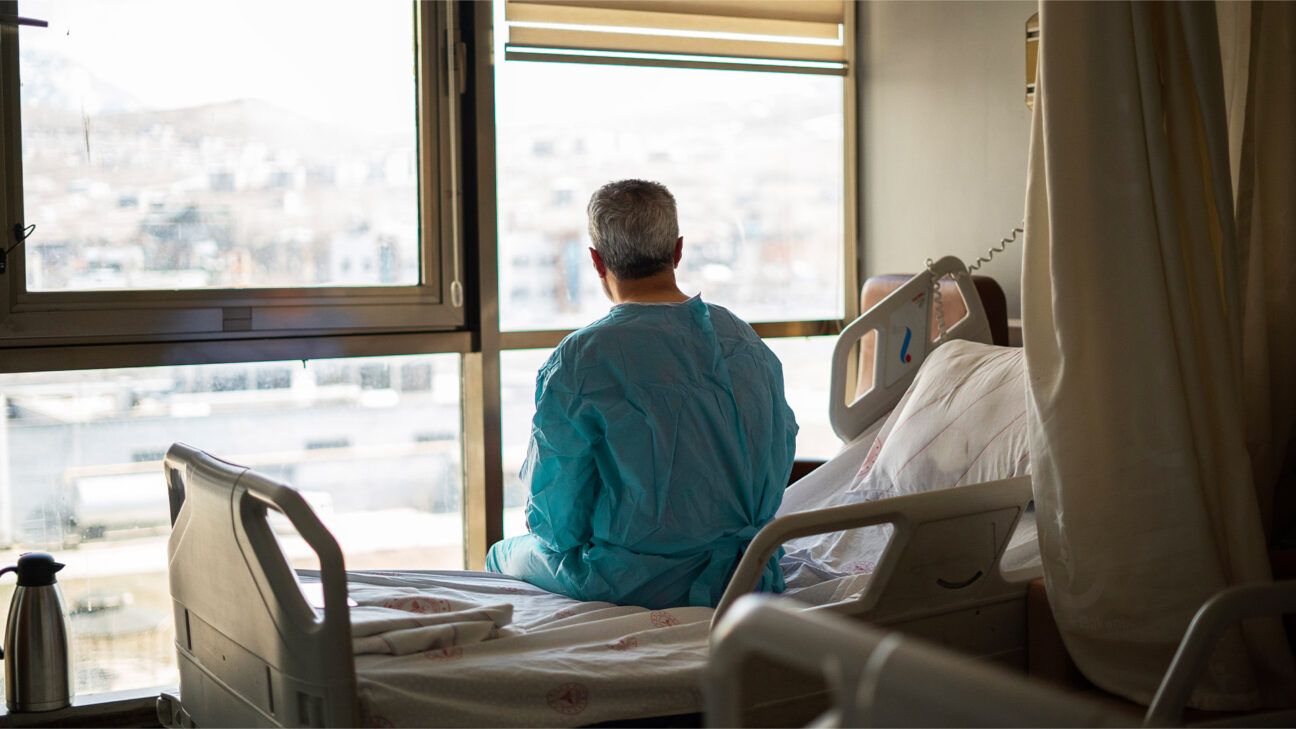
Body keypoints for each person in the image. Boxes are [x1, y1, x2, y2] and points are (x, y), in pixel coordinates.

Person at [486, 179, 798, 609]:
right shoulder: (743, 340)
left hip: (638, 582)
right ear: (678, 251)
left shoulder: (582, 358)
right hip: (750, 571)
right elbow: (778, 452)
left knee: (503, 554)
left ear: (596, 262)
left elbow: (555, 524)